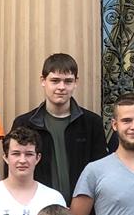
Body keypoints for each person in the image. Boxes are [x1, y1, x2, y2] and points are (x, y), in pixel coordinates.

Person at [12, 53, 107, 203]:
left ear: (76, 82)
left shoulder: (92, 123)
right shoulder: (24, 124)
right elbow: (14, 171)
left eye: (68, 81)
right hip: (38, 207)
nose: (61, 87)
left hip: (83, 209)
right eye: (55, 81)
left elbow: (101, 173)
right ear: (43, 81)